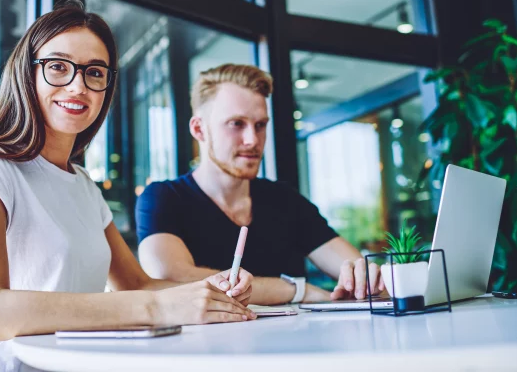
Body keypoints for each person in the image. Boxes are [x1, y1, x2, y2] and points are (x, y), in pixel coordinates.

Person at [0, 1, 256, 372]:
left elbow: (135, 283)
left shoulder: (83, 184)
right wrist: (157, 309)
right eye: (58, 67)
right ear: (26, 73)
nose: (78, 85)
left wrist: (208, 291)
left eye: (94, 72)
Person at [136, 64, 385, 305]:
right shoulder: (164, 197)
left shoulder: (284, 200)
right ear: (199, 129)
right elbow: (168, 279)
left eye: (260, 125)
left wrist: (364, 277)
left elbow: (355, 269)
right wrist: (294, 290)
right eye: (237, 124)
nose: (252, 140)